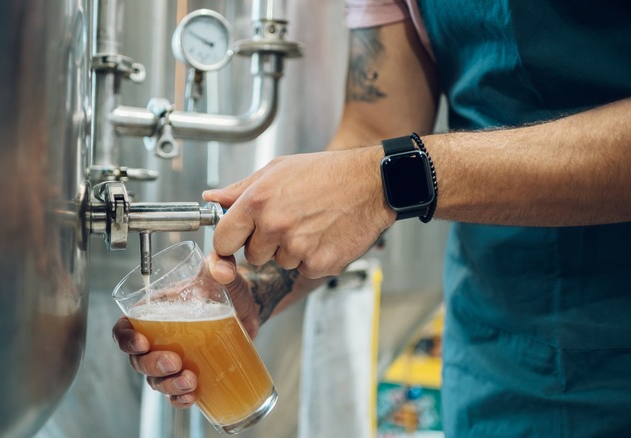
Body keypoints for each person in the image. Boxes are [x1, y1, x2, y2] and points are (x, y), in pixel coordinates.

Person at [114, 0, 631, 435]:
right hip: (501, 355)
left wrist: (386, 180)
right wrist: (256, 282)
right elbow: (379, 122)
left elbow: (378, 171)